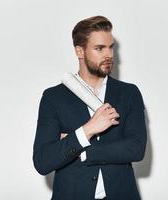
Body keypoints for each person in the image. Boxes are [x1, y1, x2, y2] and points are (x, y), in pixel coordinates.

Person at [33, 15, 147, 200]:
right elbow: (43, 161)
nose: (108, 54)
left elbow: (136, 149)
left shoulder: (129, 93)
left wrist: (78, 146)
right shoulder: (53, 97)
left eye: (111, 47)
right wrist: (88, 130)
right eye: (99, 48)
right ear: (80, 51)